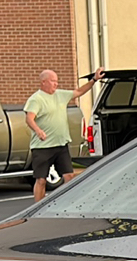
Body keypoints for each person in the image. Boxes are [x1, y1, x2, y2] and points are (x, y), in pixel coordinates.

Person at [24, 67, 103, 201]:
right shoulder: (36, 99)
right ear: (43, 82)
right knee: (41, 180)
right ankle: (38, 208)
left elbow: (79, 91)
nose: (56, 84)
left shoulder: (60, 95)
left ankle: (68, 203)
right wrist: (38, 131)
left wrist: (94, 80)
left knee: (69, 177)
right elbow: (29, 118)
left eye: (56, 81)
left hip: (61, 145)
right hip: (43, 147)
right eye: (53, 81)